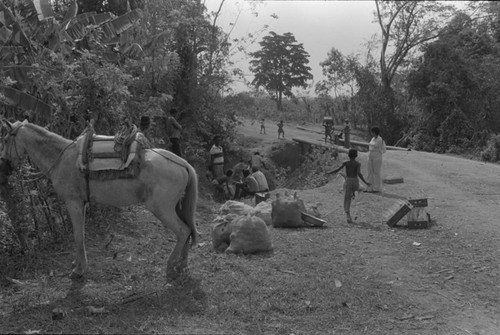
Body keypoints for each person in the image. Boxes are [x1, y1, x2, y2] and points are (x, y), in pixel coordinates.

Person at [326, 149, 370, 223]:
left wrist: (329, 172)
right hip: (355, 181)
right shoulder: (357, 164)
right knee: (359, 189)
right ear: (356, 156)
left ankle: (348, 215)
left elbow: (337, 169)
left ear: (348, 155)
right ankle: (354, 193)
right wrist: (366, 182)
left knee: (347, 198)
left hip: (348, 181)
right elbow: (359, 173)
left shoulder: (346, 163)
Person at [366, 126, 386, 193]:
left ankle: (377, 188)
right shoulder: (372, 138)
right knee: (369, 171)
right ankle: (369, 187)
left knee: (376, 172)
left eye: (372, 132)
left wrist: (378, 154)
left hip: (377, 156)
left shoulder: (380, 140)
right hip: (370, 155)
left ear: (374, 132)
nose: (371, 133)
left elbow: (382, 149)